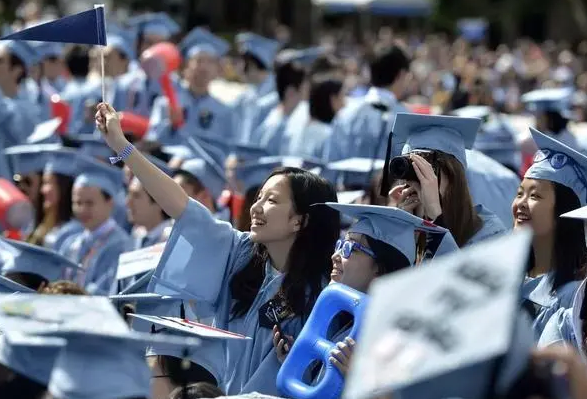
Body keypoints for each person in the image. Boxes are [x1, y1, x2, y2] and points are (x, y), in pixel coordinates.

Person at [95, 101, 341, 395]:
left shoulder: (323, 294)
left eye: (272, 201)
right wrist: (123, 147)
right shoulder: (241, 256)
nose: (257, 207)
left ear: (300, 221)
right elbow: (183, 207)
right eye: (259, 196)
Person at [272, 204, 458, 395]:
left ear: (379, 267)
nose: (335, 256)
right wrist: (302, 362)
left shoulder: (400, 336)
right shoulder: (346, 322)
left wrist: (363, 380)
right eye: (340, 245)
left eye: (350, 248)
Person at [388, 113, 506, 247]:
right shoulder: (406, 229)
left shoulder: (489, 235)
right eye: (412, 169)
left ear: (453, 176)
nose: (419, 179)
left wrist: (435, 216)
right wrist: (400, 231)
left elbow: (452, 267)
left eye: (426, 169)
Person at [514, 128, 587, 337]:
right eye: (519, 193)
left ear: (563, 212)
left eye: (534, 196)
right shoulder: (509, 276)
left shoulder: (571, 298)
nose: (520, 203)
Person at [324, 44, 411, 188]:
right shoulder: (405, 118)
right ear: (401, 74)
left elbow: (330, 168)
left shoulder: (345, 113)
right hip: (388, 203)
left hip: (346, 201)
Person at [145, 27, 235, 146]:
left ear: (217, 70)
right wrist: (170, 124)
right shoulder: (165, 105)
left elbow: (228, 150)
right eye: (199, 61)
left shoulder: (224, 112)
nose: (204, 68)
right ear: (186, 68)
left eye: (210, 62)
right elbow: (150, 142)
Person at [59, 155, 130, 294]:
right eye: (78, 203)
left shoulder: (121, 245)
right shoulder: (70, 243)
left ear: (110, 203)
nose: (82, 210)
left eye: (90, 203)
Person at [232, 32, 282, 143]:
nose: (236, 67)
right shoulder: (246, 96)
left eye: (241, 62)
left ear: (252, 64)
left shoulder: (277, 96)